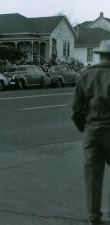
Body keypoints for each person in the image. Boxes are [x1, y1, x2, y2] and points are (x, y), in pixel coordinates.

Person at [72, 39, 110, 225]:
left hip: (91, 131)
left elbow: (76, 110)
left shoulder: (85, 75)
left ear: (100, 55)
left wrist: (85, 127)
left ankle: (94, 217)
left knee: (93, 175)